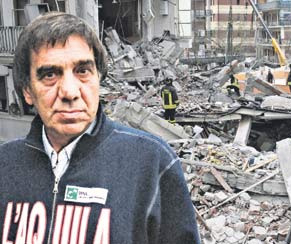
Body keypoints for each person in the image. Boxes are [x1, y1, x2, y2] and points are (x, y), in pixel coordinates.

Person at [0, 13, 200, 243]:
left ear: (98, 78)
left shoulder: (151, 163)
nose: (69, 92)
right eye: (50, 75)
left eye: (82, 71)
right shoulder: (5, 166)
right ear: (27, 90)